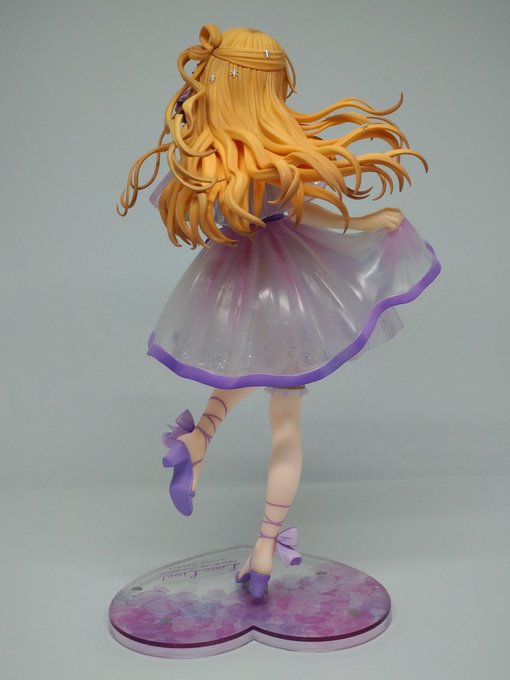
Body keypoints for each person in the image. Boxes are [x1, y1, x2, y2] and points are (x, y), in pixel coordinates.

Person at [117, 24, 441, 598]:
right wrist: (368, 221)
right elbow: (301, 212)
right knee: (285, 421)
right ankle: (266, 547)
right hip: (286, 284)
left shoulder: (208, 157)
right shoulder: (269, 157)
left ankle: (198, 441)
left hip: (229, 282)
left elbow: (187, 207)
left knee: (245, 369)